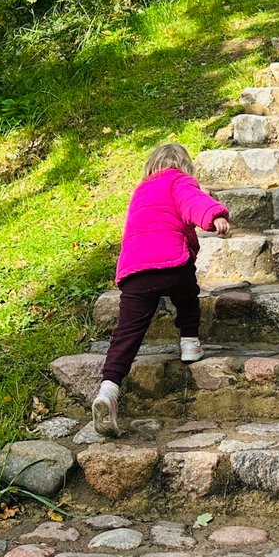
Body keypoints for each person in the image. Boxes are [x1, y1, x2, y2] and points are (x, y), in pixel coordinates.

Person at [92, 142, 230, 437]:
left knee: (127, 332)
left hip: (135, 271)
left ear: (150, 166)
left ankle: (108, 389)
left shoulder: (140, 192)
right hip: (171, 264)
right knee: (187, 295)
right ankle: (190, 343)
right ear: (184, 166)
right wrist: (214, 216)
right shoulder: (179, 181)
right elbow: (194, 202)